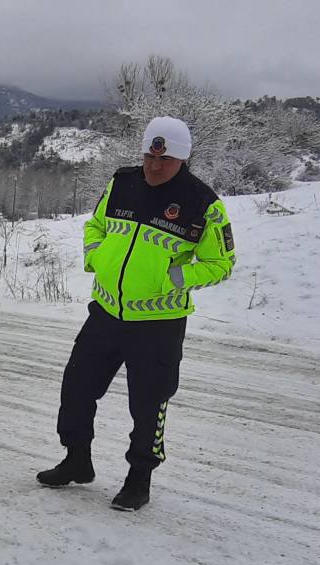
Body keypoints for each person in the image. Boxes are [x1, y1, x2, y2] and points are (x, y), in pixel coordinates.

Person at [37, 116, 235, 511]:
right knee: (76, 388)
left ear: (182, 159)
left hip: (158, 324)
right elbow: (95, 226)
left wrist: (174, 278)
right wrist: (96, 257)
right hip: (106, 312)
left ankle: (139, 479)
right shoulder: (121, 182)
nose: (154, 166)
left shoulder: (204, 203)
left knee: (148, 405)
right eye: (149, 157)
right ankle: (77, 460)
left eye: (165, 160)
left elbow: (222, 263)